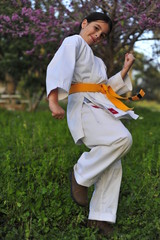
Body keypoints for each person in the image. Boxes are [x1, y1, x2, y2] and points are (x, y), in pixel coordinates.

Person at [46, 12, 141, 236]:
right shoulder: (74, 42)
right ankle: (80, 175)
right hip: (84, 109)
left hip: (100, 108)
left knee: (113, 160)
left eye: (103, 34)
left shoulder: (97, 61)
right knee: (123, 139)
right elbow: (57, 68)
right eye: (96, 28)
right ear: (84, 23)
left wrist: (125, 70)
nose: (98, 35)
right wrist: (53, 102)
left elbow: (104, 88)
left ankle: (100, 218)